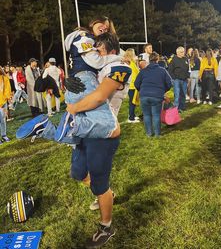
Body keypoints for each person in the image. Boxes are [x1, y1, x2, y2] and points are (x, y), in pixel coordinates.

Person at [65, 36, 131, 248]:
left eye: (97, 48)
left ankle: (106, 227)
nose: (93, 52)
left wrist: (73, 109)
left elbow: (99, 96)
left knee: (99, 182)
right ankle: (106, 194)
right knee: (77, 172)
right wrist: (68, 80)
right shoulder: (97, 67)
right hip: (87, 127)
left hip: (104, 131)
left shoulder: (119, 65)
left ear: (108, 49)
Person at [134, 52, 172, 137]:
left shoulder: (143, 71)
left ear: (149, 60)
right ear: (157, 60)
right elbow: (169, 83)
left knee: (147, 115)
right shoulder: (162, 70)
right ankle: (157, 134)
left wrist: (142, 90)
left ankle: (149, 133)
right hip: (157, 96)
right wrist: (163, 91)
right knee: (156, 115)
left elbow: (136, 83)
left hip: (144, 95)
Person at [168, 46, 189, 112]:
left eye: (183, 52)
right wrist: (174, 78)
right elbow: (170, 71)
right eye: (181, 52)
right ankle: (176, 108)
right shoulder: (173, 60)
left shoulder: (185, 59)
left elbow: (188, 68)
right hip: (177, 80)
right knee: (177, 95)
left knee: (183, 94)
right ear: (177, 53)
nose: (183, 53)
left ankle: (182, 107)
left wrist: (187, 75)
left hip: (184, 80)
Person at [123, 48, 140, 123]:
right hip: (132, 85)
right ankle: (131, 118)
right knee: (132, 102)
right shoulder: (129, 62)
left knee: (133, 102)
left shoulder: (132, 62)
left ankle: (132, 115)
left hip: (134, 85)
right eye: (133, 53)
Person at [0, 66, 11, 144]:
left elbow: (7, 88)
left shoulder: (4, 78)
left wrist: (7, 97)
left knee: (3, 120)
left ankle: (4, 135)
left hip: (3, 102)